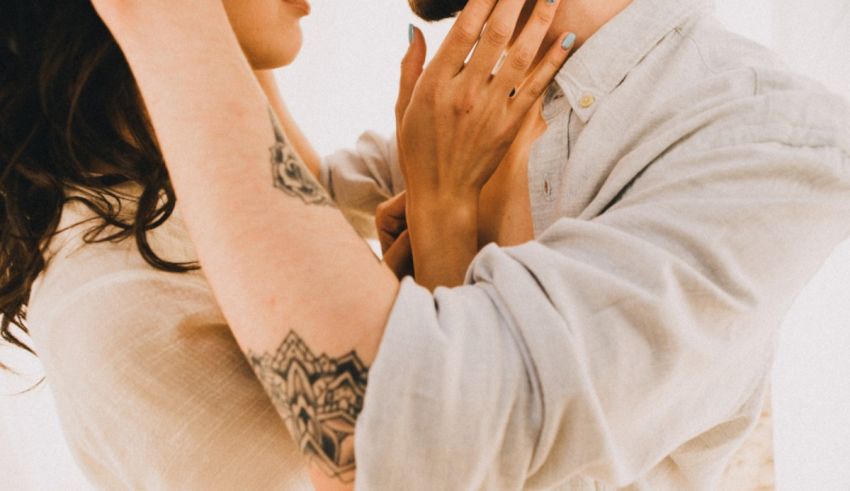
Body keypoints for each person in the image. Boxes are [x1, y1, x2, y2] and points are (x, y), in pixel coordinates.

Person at [93, 0, 850, 489]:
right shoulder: (476, 91)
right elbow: (306, 200)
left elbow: (421, 436)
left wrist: (441, 210)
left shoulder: (767, 134)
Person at [1, 0, 568, 488]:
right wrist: (444, 214)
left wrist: (405, 286)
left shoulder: (182, 186)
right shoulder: (111, 303)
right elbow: (416, 473)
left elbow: (310, 178)